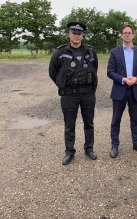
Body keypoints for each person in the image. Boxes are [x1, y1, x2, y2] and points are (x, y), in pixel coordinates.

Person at [49, 22, 99, 165]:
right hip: (69, 93)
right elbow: (53, 72)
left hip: (87, 92)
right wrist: (63, 84)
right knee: (69, 124)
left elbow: (94, 67)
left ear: (82, 35)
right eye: (74, 33)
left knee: (89, 123)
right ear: (69, 34)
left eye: (79, 34)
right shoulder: (61, 52)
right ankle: (69, 152)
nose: (77, 36)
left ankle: (89, 149)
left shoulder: (89, 51)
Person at [107, 24, 137, 158]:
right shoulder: (115, 51)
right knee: (116, 120)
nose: (127, 35)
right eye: (124, 32)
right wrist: (124, 79)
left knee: (135, 119)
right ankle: (114, 146)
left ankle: (136, 144)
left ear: (133, 35)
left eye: (129, 32)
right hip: (120, 89)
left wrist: (135, 79)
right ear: (121, 35)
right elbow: (110, 72)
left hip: (135, 90)